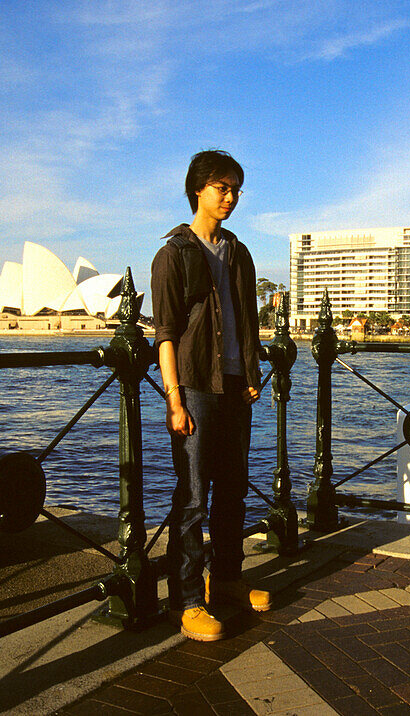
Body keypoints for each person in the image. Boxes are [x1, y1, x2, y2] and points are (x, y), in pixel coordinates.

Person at [150, 149, 270, 642]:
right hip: (196, 386)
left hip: (236, 387)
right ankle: (187, 600)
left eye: (236, 188)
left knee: (234, 489)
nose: (230, 197)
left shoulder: (239, 253)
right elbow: (166, 334)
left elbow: (247, 319)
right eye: (222, 187)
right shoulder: (173, 254)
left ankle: (226, 580)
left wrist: (252, 371)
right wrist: (174, 398)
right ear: (197, 189)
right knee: (194, 496)